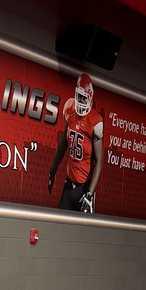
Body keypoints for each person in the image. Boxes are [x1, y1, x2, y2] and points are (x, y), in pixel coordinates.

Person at [47, 73, 103, 214]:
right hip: (69, 183)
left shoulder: (94, 121)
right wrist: (53, 170)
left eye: (84, 97)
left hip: (84, 187)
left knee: (82, 227)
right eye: (79, 96)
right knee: (59, 222)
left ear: (90, 97)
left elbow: (98, 161)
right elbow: (63, 144)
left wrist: (90, 193)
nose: (81, 100)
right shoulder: (69, 108)